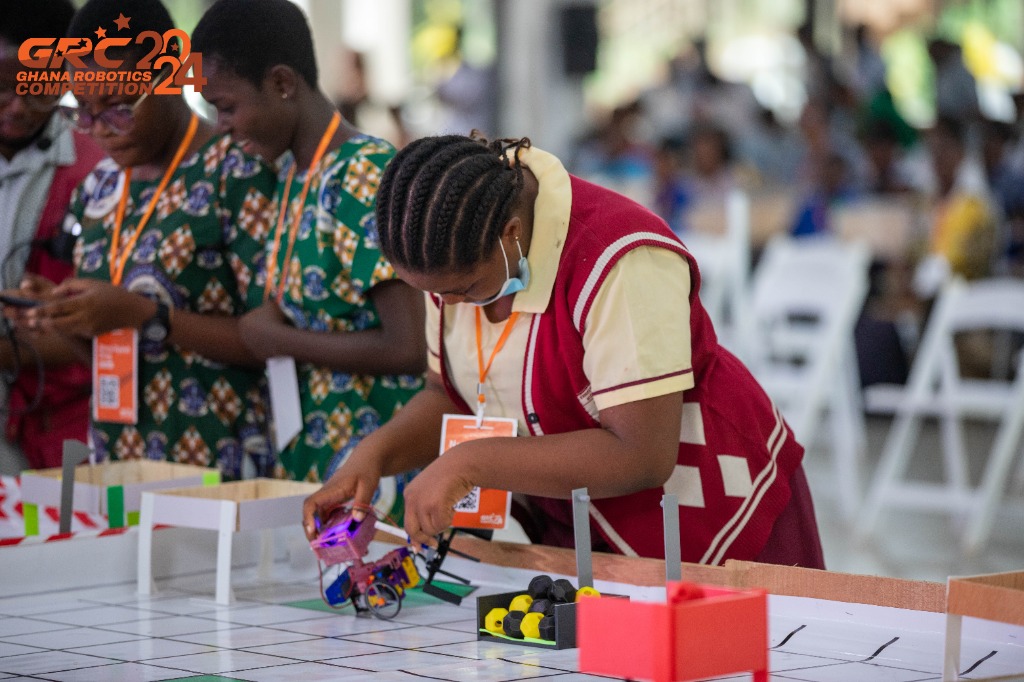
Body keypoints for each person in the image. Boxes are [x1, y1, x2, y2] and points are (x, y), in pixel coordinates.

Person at [302, 133, 826, 567]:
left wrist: (471, 462)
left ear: (511, 235)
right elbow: (450, 392)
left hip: (708, 525)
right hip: (581, 529)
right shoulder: (453, 250)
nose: (447, 305)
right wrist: (372, 457)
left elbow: (641, 454)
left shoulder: (620, 258)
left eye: (461, 290)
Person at [20, 0, 277, 479]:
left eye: (119, 107)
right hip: (120, 462)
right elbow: (108, 352)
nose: (100, 131)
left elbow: (273, 339)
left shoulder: (237, 172)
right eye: (84, 112)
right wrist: (66, 316)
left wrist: (142, 313)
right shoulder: (99, 189)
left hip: (225, 466)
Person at [192, 0, 426, 487]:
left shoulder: (362, 173)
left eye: (227, 106)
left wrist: (280, 340)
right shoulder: (294, 175)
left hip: (379, 464)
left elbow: (409, 346)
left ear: (281, 83)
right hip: (318, 453)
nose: (221, 126)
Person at [0, 0, 104, 472]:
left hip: (57, 431)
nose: (18, 107)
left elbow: (100, 331)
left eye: (37, 90)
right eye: (2, 88)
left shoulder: (97, 170)